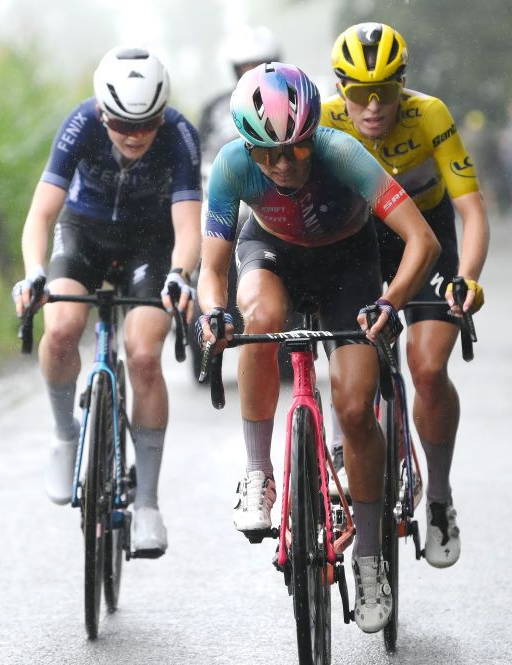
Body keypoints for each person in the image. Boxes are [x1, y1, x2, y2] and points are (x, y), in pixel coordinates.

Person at [197, 62, 439, 633]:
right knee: (259, 318)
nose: (282, 165)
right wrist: (214, 312)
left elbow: (421, 241)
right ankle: (258, 472)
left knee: (355, 408)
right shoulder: (231, 165)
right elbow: (212, 268)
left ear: (312, 138)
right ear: (248, 146)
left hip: (347, 265)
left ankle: (370, 558)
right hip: (272, 255)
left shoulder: (343, 153)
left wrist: (392, 301)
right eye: (267, 153)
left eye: (296, 150)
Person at [11, 46, 201, 558]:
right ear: (102, 111)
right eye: (122, 123)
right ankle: (65, 435)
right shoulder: (81, 124)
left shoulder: (180, 135)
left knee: (142, 354)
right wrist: (33, 271)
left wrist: (181, 275)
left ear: (163, 114)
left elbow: (187, 225)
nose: (136, 136)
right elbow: (40, 215)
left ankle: (149, 506)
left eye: (148, 124)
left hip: (150, 243)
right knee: (61, 328)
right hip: (85, 235)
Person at [321, 22, 490, 570]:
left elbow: (471, 210)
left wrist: (467, 275)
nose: (372, 107)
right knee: (353, 374)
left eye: (386, 92)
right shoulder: (322, 118)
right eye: (358, 94)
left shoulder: (430, 115)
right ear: (340, 90)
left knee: (427, 366)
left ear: (403, 86)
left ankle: (438, 497)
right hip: (361, 247)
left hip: (429, 241)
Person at [198, 25, 281, 181]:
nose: (255, 72)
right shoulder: (215, 107)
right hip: (225, 181)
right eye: (247, 67)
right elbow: (201, 150)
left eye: (261, 65)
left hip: (277, 179)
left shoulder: (292, 99)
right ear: (236, 69)